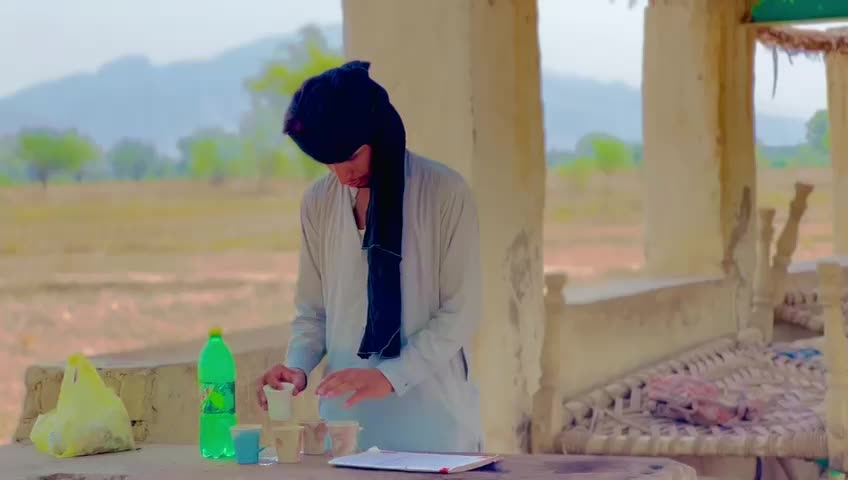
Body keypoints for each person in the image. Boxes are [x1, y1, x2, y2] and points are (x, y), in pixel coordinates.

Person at [255, 60, 483, 453]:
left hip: (436, 431)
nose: (343, 174)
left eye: (352, 156)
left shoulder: (444, 193)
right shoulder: (318, 202)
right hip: (346, 431)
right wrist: (297, 368)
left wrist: (389, 376)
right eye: (329, 162)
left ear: (379, 133)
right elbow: (314, 313)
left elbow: (460, 313)